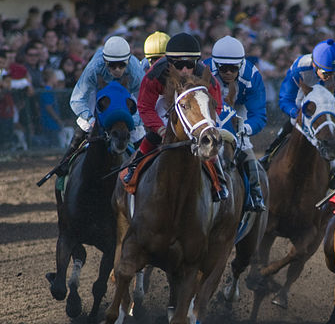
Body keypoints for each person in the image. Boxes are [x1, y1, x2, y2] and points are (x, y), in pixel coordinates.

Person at [127, 32, 228, 201]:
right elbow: (145, 106)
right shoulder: (155, 75)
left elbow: (215, 105)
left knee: (210, 145)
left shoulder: (206, 77)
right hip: (164, 107)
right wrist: (159, 129)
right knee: (153, 137)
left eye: (189, 65)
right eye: (179, 65)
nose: (185, 71)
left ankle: (219, 181)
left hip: (194, 113)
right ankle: (134, 169)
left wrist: (203, 125)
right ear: (169, 63)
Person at [260, 38, 335, 189]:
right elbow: (286, 98)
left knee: (329, 135)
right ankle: (269, 155)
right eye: (327, 72)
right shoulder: (299, 69)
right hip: (303, 98)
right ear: (314, 65)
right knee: (293, 122)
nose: (331, 76)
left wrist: (333, 118)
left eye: (334, 72)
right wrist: (296, 113)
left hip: (327, 102)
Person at [55, 35, 145, 176]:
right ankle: (65, 161)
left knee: (138, 131)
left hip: (125, 94)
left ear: (128, 61)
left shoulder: (135, 71)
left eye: (122, 65)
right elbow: (77, 100)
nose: (117, 69)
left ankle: (145, 163)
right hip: (100, 93)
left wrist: (132, 122)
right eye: (112, 65)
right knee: (85, 124)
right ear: (104, 61)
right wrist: (90, 120)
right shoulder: (94, 68)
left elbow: (144, 103)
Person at [203, 35, 267, 211]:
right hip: (210, 106)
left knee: (245, 147)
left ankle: (255, 193)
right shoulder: (203, 71)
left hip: (239, 109)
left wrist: (244, 127)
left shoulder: (252, 76)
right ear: (216, 64)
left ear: (241, 64)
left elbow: (259, 114)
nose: (229, 73)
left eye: (233, 68)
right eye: (224, 68)